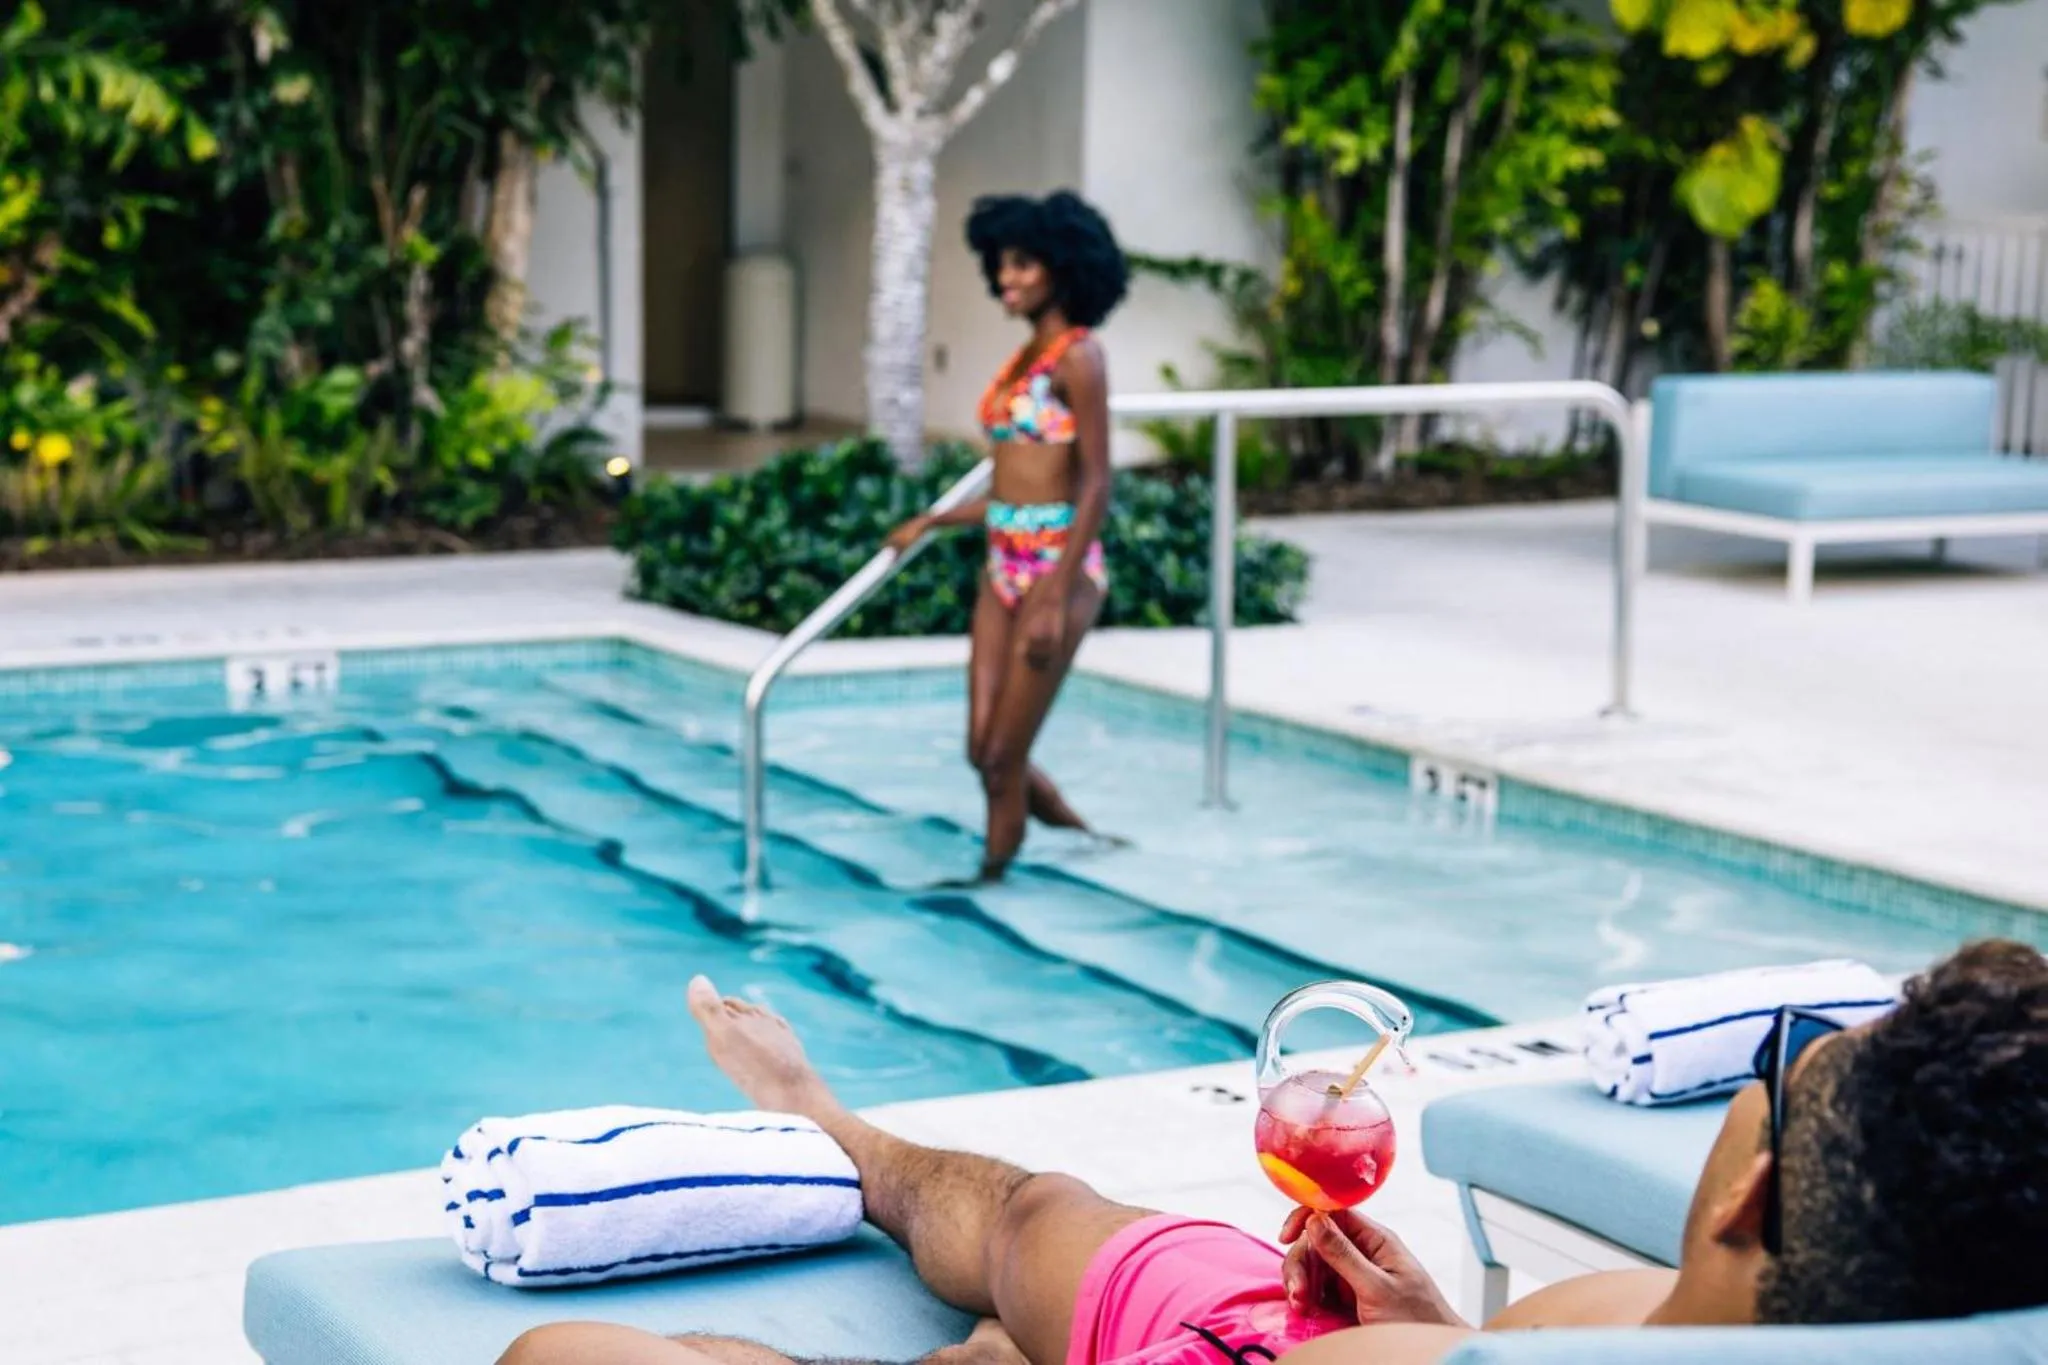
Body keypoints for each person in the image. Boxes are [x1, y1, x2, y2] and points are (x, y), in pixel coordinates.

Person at [498, 939, 2047, 1365]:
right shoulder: (1804, 1328)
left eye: (1778, 1077)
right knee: (1040, 1203)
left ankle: (846, 1166)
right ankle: (829, 1131)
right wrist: (1435, 1319)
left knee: (558, 1358)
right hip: (1267, 1324)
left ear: (1752, 1187)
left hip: (1225, 1340)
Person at [885, 191, 1130, 883]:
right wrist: (934, 521)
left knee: (1000, 758)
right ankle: (1084, 839)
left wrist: (1054, 591)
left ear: (1063, 266)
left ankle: (988, 885)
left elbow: (1095, 482)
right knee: (984, 749)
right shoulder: (1025, 357)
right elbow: (1014, 485)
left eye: (1023, 264)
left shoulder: (1079, 358)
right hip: (1003, 565)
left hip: (1061, 573)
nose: (1007, 279)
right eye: (1000, 266)